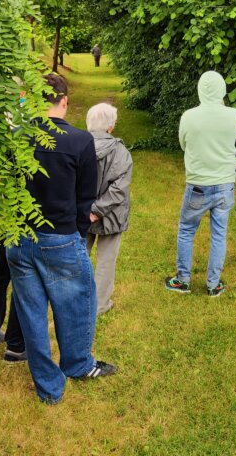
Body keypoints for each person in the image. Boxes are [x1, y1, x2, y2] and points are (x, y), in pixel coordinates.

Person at [5, 73, 116, 404]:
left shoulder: (18, 137)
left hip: (19, 237)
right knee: (78, 301)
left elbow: (10, 188)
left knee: (31, 312)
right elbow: (86, 197)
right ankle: (78, 365)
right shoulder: (80, 141)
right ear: (65, 101)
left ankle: (49, 387)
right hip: (60, 237)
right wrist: (78, 234)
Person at [164, 71, 236, 296]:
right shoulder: (233, 115)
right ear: (222, 90)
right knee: (219, 233)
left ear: (199, 90)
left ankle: (183, 279)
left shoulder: (189, 116)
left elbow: (183, 144)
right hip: (225, 182)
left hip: (198, 182)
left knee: (186, 230)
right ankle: (213, 284)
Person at [85, 102, 133, 316]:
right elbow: (119, 189)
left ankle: (74, 297)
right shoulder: (122, 152)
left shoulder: (78, 146)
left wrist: (90, 210)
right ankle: (100, 304)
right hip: (111, 215)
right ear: (111, 126)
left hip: (83, 213)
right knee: (106, 260)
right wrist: (97, 211)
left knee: (79, 256)